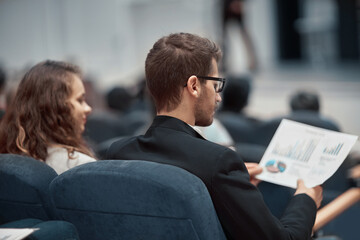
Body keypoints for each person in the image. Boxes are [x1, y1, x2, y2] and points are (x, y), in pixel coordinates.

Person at [107, 32, 323, 240]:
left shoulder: (118, 154)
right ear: (194, 86)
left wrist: (232, 183)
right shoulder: (218, 162)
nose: (218, 98)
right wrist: (306, 199)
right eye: (215, 85)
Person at [0, 60, 96, 174]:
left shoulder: (9, 162)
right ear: (55, 107)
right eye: (80, 100)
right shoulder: (81, 166)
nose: (88, 108)